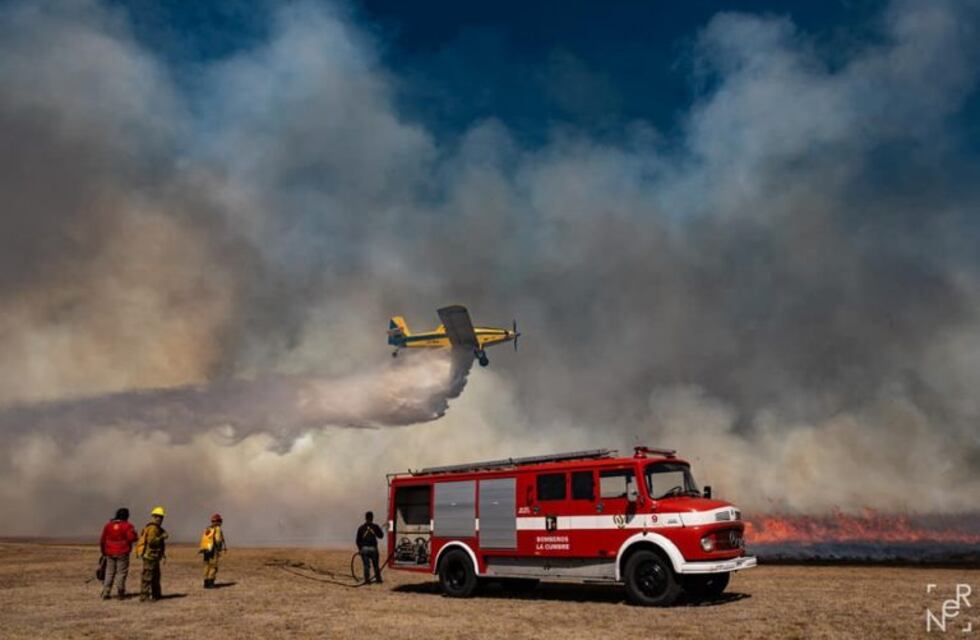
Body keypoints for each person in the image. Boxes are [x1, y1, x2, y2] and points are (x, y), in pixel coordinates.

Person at [98, 507, 138, 600]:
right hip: (122, 552)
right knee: (121, 573)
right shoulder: (128, 526)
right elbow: (131, 538)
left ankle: (106, 592)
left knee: (109, 572)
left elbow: (102, 540)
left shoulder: (108, 525)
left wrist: (103, 552)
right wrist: (135, 535)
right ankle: (120, 592)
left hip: (109, 553)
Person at [135, 506, 169, 602]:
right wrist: (162, 537)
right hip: (150, 556)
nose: (159, 519)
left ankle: (156, 594)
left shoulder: (157, 528)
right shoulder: (153, 528)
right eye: (157, 516)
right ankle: (144, 596)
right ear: (153, 517)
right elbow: (152, 541)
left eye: (161, 517)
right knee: (147, 577)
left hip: (154, 556)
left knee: (155, 577)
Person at [199, 513, 227, 589]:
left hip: (206, 550)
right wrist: (219, 549)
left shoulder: (208, 528)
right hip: (213, 550)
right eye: (220, 521)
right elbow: (218, 540)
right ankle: (211, 583)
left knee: (206, 566)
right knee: (213, 566)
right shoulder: (217, 529)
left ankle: (206, 583)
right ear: (218, 521)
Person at [355, 511, 384, 585]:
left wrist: (360, 549)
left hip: (364, 549)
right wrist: (379, 530)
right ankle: (378, 579)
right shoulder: (375, 527)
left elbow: (358, 540)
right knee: (376, 565)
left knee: (366, 565)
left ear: (365, 518)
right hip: (373, 549)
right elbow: (381, 536)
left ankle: (367, 580)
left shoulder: (361, 528)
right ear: (372, 518)